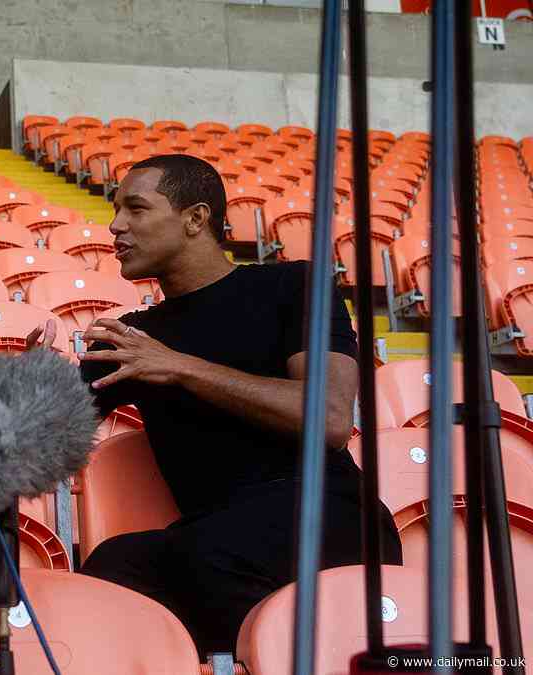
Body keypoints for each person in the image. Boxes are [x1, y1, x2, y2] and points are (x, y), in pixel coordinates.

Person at [26, 154, 401, 656]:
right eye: (116, 210)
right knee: (113, 569)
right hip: (215, 542)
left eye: (136, 208)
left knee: (203, 557)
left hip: (325, 513)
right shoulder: (132, 338)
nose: (115, 226)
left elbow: (330, 418)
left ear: (196, 218)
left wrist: (180, 366)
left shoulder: (293, 286)